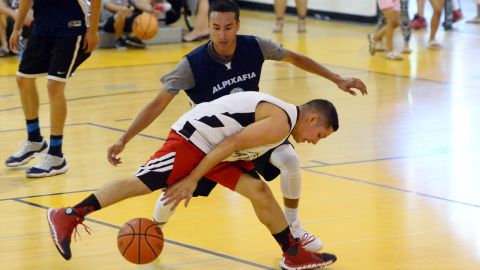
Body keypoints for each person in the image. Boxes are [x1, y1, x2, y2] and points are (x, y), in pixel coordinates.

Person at [106, 0, 367, 252]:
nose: (222, 34)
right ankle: (154, 229)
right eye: (216, 27)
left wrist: (336, 79)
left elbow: (295, 58)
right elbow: (156, 104)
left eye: (228, 27)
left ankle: (294, 229)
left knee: (288, 158)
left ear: (238, 25)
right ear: (208, 27)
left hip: (253, 132)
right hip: (210, 140)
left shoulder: (255, 46)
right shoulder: (192, 64)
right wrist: (125, 138)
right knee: (178, 186)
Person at [47, 91, 339, 269]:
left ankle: (293, 254)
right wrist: (192, 178)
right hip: (195, 139)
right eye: (320, 135)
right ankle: (69, 215)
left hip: (215, 148)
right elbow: (230, 144)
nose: (315, 141)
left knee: (259, 190)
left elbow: (231, 148)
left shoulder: (283, 121)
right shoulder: (280, 123)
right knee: (142, 183)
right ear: (312, 119)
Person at [4, 0, 101, 177]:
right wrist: (16, 27)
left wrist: (93, 29)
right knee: (23, 79)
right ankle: (34, 140)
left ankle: (56, 156)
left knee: (54, 85)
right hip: (43, 27)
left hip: (72, 27)